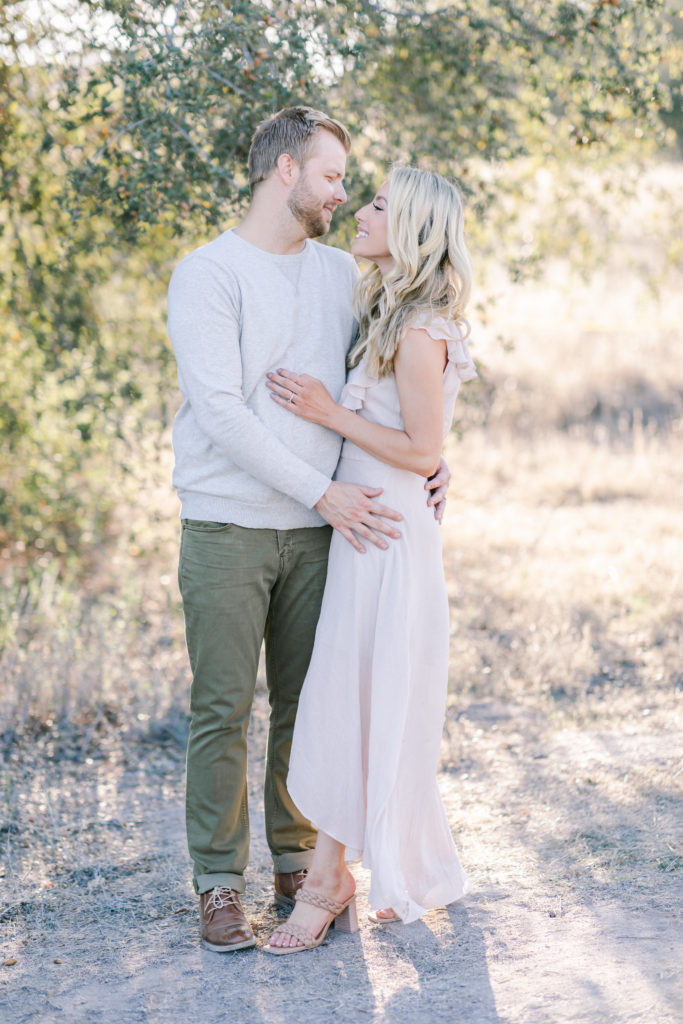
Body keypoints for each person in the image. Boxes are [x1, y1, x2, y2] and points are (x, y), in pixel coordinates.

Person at [167, 107, 450, 953]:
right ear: (285, 170)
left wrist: (429, 463)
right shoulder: (207, 273)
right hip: (230, 524)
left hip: (331, 531)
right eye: (332, 177)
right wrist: (322, 491)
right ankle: (219, 884)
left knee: (308, 705)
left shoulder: (340, 275)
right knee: (222, 709)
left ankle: (301, 867)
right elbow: (219, 411)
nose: (340, 194)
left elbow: (396, 385)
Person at [263, 166, 476, 954]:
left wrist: (326, 413)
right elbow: (425, 446)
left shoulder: (420, 328)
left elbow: (420, 448)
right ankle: (365, 865)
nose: (361, 211)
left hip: (386, 539)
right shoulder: (386, 309)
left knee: (364, 697)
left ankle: (327, 881)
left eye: (379, 205)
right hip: (366, 532)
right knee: (351, 696)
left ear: (412, 229)